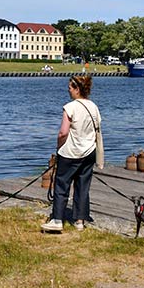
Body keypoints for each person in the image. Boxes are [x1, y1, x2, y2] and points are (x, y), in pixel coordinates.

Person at [41, 75, 103, 233]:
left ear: (77, 89)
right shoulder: (94, 107)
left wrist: (58, 147)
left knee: (62, 185)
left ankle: (57, 219)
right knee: (83, 186)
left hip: (71, 152)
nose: (68, 90)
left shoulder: (70, 107)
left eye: (70, 87)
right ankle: (80, 220)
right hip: (89, 151)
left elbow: (63, 132)